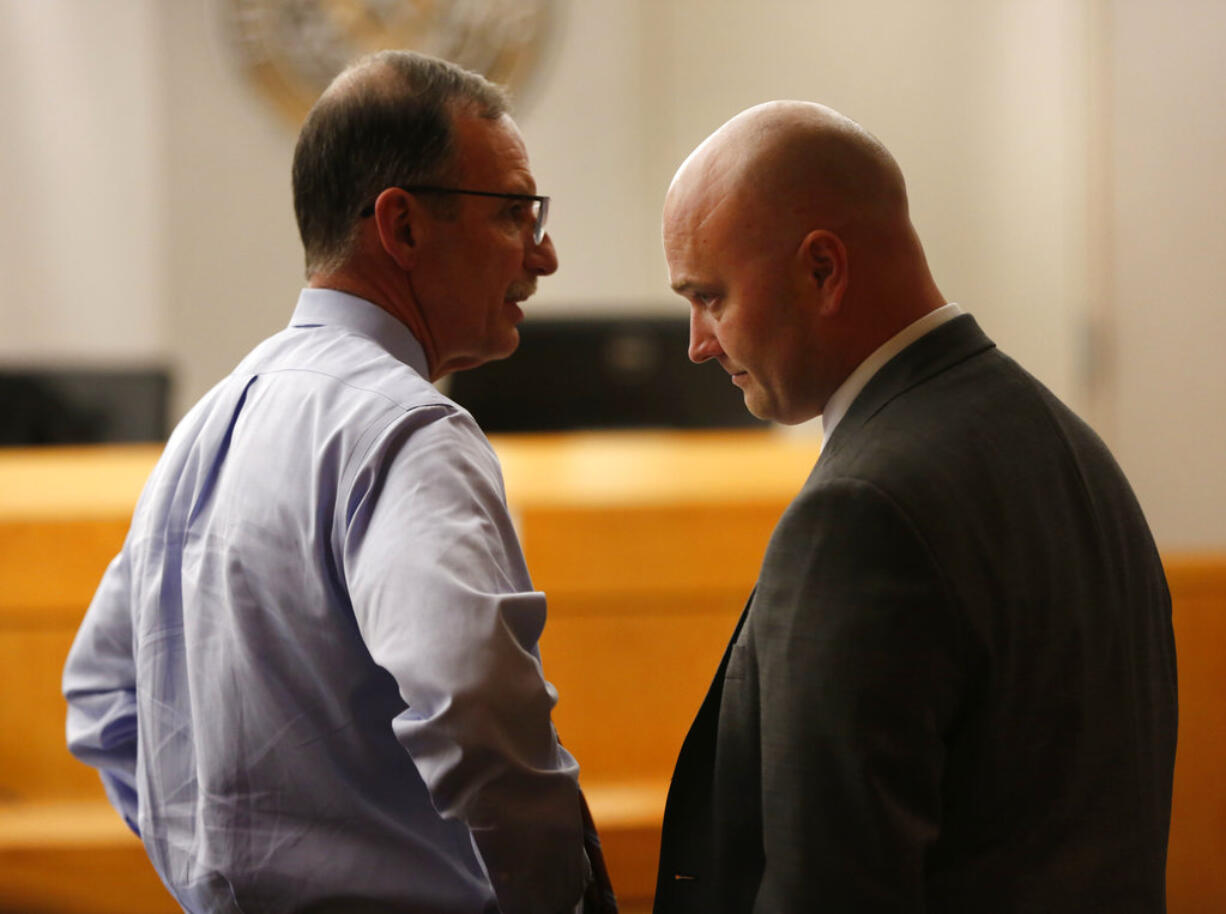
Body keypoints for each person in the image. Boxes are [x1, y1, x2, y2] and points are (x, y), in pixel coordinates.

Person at [63, 50, 615, 914]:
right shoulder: (408, 430)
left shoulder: (205, 425)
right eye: (514, 212)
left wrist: (214, 873)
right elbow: (477, 709)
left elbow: (100, 697)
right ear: (400, 227)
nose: (543, 255)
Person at [652, 100, 1177, 913]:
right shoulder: (1074, 448)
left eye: (711, 296)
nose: (698, 342)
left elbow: (832, 887)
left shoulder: (860, 512)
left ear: (822, 270)